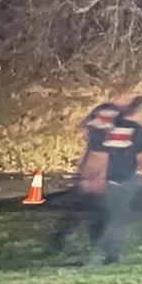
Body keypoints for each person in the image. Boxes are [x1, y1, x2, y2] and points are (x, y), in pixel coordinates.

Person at [48, 98, 120, 255]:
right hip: (92, 180)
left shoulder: (104, 133)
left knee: (84, 216)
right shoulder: (103, 134)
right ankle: (106, 252)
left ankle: (60, 242)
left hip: (93, 180)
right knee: (84, 216)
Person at [91, 95, 142, 265]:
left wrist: (96, 175)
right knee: (118, 219)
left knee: (106, 217)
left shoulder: (109, 126)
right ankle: (111, 254)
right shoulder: (139, 130)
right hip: (125, 179)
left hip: (109, 179)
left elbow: (99, 153)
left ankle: (105, 251)